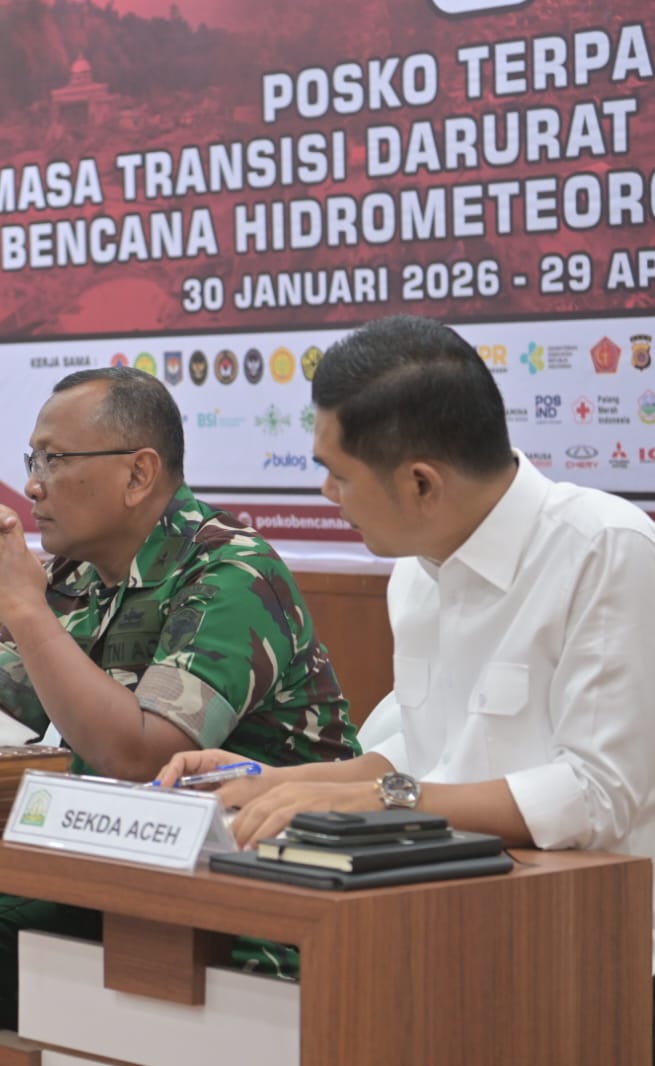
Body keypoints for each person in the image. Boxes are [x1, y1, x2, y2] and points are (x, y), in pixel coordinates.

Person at [155, 315, 655, 985]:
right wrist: (270, 783)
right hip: (441, 926)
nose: (326, 494)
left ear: (421, 484)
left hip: (586, 948)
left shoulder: (607, 549)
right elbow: (422, 757)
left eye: (337, 474)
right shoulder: (417, 572)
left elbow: (597, 797)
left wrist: (385, 799)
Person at [0, 366, 359, 1023]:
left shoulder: (231, 572)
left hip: (264, 897)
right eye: (32, 459)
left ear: (138, 474)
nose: (32, 484)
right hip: (121, 871)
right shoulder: (75, 579)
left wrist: (24, 609)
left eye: (54, 459)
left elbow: (140, 757)